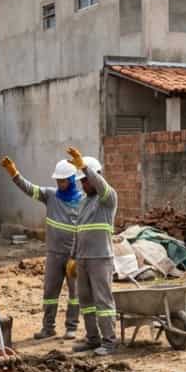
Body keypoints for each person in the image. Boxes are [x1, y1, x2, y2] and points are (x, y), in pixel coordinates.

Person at [0, 155, 82, 339]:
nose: (59, 183)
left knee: (75, 294)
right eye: (58, 180)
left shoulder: (82, 200)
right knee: (50, 292)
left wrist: (77, 257)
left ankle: (72, 327)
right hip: (54, 254)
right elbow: (30, 189)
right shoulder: (50, 195)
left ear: (70, 180)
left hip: (73, 256)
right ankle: (48, 327)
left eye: (63, 181)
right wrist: (15, 174)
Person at [66, 148, 118, 356]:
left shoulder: (107, 199)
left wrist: (85, 167)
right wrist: (72, 256)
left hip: (100, 258)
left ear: (95, 176)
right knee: (86, 301)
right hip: (83, 259)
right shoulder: (84, 202)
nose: (83, 184)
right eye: (81, 181)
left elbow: (101, 186)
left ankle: (109, 342)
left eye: (85, 180)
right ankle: (92, 339)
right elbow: (78, 231)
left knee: (103, 301)